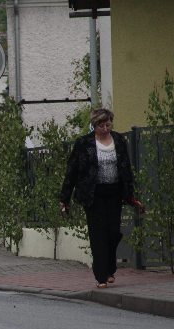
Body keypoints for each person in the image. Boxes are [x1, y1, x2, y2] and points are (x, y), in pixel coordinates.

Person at [59, 108, 145, 289]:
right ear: (94, 125)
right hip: (93, 194)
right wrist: (64, 198)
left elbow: (126, 169)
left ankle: (110, 269)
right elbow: (72, 171)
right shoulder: (84, 143)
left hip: (114, 192)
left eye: (108, 124)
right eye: (101, 125)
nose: (105, 128)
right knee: (98, 235)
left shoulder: (119, 140)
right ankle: (101, 276)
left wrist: (130, 196)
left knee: (113, 232)